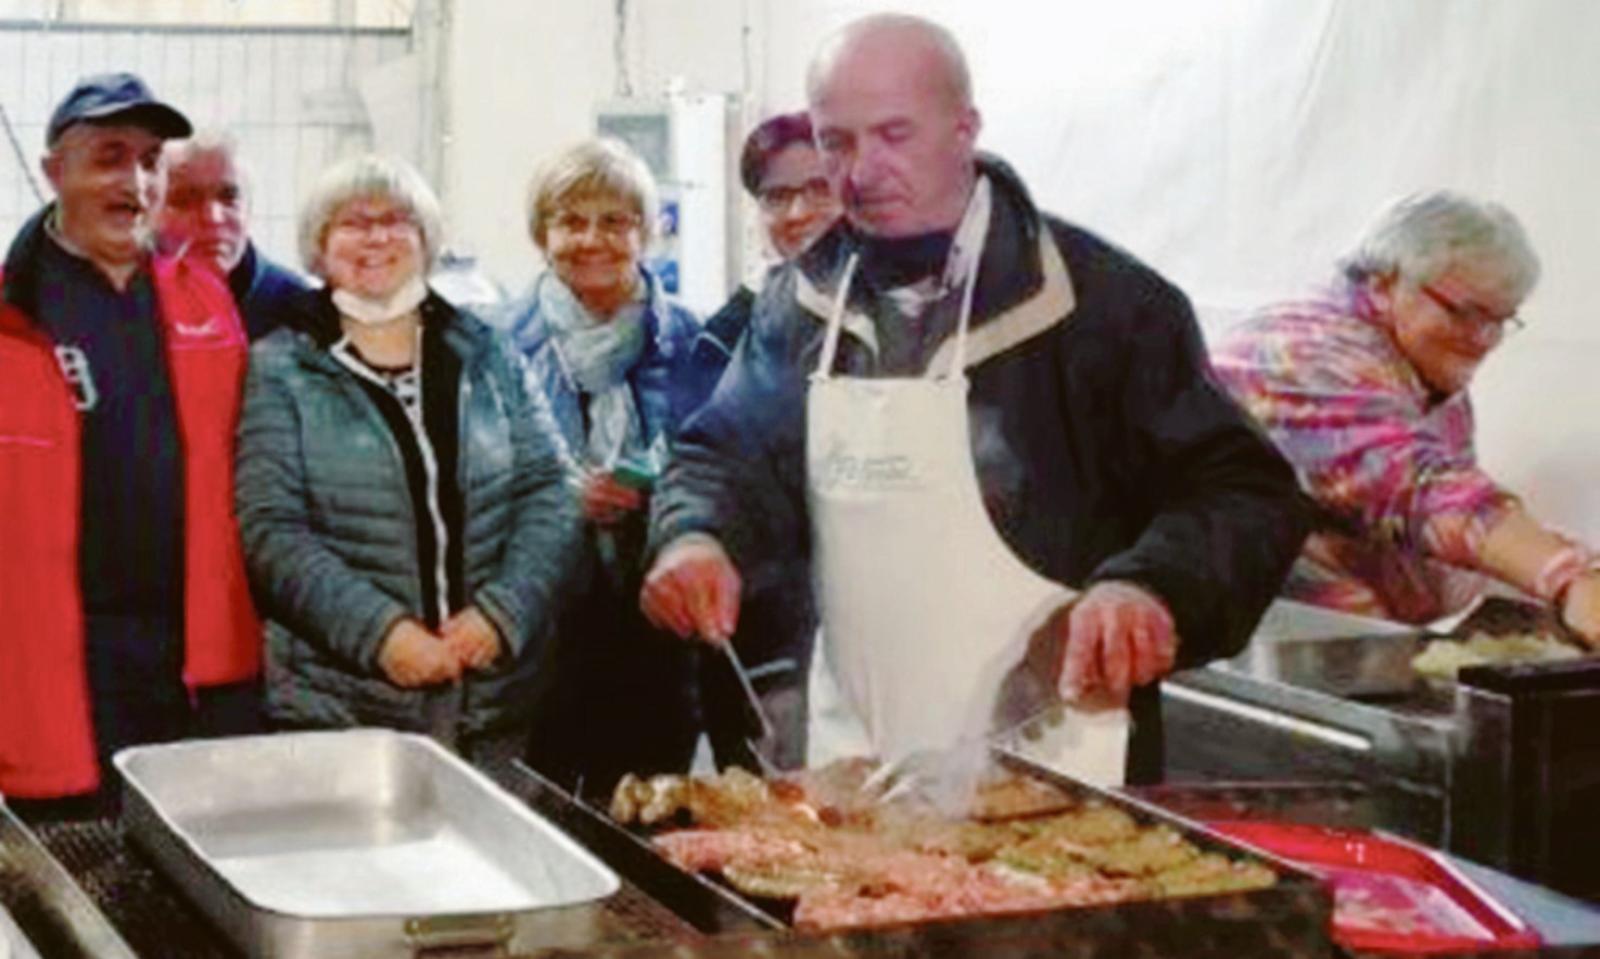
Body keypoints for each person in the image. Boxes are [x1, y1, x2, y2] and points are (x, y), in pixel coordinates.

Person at [641, 14, 1309, 784]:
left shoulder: (1102, 306)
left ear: (965, 127)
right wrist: (695, 535)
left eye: (896, 134)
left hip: (1057, 763)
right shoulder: (801, 303)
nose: (862, 170)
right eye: (838, 142)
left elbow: (1245, 491)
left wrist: (1153, 585)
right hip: (853, 761)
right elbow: (724, 454)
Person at [234, 154, 579, 764]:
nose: (375, 237)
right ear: (319, 247)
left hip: (493, 710)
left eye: (397, 220)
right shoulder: (280, 366)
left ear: (427, 240)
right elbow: (272, 530)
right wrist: (381, 634)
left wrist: (501, 615)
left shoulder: (487, 350)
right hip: (344, 714)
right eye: (351, 222)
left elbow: (549, 488)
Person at [0, 73, 260, 808]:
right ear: (55, 171)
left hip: (197, 653)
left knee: (198, 860)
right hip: (60, 657)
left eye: (150, 160)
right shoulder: (15, 310)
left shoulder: (203, 299)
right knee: (73, 873)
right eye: (110, 156)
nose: (136, 182)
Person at [1213, 191, 1600, 641]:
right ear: (1384, 283)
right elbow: (1421, 490)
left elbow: (1457, 519)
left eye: (1501, 320)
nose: (1484, 339)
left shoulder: (1422, 364)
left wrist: (1580, 571)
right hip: (1251, 657)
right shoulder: (1303, 353)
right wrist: (1565, 576)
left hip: (1347, 650)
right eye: (1465, 313)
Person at [505, 138, 705, 796]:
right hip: (536, 633)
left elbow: (721, 466)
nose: (592, 239)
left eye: (615, 221)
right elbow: (465, 480)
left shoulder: (695, 342)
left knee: (651, 825)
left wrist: (653, 490)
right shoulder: (492, 342)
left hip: (659, 637)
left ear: (647, 233)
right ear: (542, 233)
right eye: (571, 220)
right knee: (535, 825)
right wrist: (559, 497)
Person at [683, 112, 842, 772]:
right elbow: (706, 469)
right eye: (776, 197)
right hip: (761, 649)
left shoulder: (914, 314)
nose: (798, 211)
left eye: (818, 188)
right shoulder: (733, 334)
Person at [158, 130, 307, 341]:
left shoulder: (296, 309)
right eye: (185, 200)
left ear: (249, 207)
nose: (213, 218)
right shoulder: (119, 303)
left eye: (229, 197)